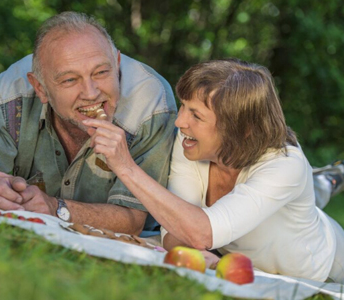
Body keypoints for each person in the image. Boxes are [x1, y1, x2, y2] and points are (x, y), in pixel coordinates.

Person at [83, 59, 344, 283]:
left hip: (321, 265)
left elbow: (199, 232)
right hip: (251, 247)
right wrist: (195, 246)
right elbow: (175, 232)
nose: (179, 122)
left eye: (196, 115)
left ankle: (328, 179)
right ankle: (326, 179)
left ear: (241, 129)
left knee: (301, 190)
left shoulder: (285, 165)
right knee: (305, 193)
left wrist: (125, 166)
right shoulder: (191, 143)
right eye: (183, 106)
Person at [0, 11, 177, 236]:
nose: (91, 92)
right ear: (40, 88)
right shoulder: (10, 93)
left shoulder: (151, 105)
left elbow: (134, 220)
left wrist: (56, 208)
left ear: (116, 63)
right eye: (70, 80)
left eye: (101, 72)